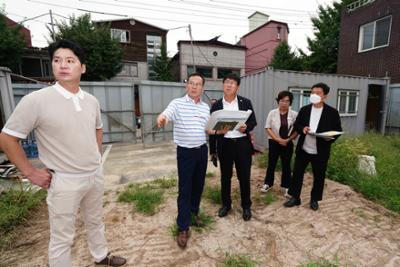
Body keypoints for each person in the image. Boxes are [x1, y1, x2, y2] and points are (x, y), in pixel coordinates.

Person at [0, 39, 126, 267]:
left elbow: (97, 128)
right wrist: (30, 172)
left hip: (93, 175)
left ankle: (101, 256)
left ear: (82, 67)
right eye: (57, 60)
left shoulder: (91, 101)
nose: (63, 65)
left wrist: (96, 156)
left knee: (95, 221)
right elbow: (7, 138)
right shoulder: (36, 100)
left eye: (70, 60)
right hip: (64, 180)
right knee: (62, 237)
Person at [156, 72, 210, 249]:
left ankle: (193, 213)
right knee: (185, 189)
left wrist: (222, 128)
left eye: (198, 84)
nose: (194, 87)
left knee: (199, 185)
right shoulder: (177, 104)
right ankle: (183, 227)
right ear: (187, 86)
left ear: (202, 88)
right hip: (185, 153)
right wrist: (161, 119)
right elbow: (165, 115)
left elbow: (208, 129)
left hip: (202, 151)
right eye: (191, 83)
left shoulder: (205, 107)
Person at [284, 83, 342, 211]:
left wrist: (330, 138)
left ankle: (314, 199)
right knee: (297, 173)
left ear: (324, 96)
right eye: (312, 92)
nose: (314, 95)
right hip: (304, 149)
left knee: (319, 176)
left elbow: (337, 130)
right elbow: (297, 125)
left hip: (321, 150)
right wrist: (302, 128)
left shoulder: (332, 112)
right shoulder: (304, 109)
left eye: (318, 93)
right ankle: (295, 197)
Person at [209, 73, 257, 221]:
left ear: (238, 86)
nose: (229, 85)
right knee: (225, 177)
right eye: (226, 82)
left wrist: (246, 128)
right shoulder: (216, 105)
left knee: (244, 177)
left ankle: (246, 206)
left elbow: (253, 122)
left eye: (232, 83)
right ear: (223, 85)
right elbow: (212, 130)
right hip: (225, 146)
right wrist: (213, 151)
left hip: (242, 145)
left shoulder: (245, 102)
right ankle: (226, 205)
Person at [261, 91, 298, 197]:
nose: (284, 103)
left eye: (287, 101)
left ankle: (286, 186)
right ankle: (268, 183)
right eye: (282, 100)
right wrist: (278, 139)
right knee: (271, 163)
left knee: (286, 165)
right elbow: (267, 127)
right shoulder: (272, 113)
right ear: (278, 101)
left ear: (290, 102)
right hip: (274, 141)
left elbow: (296, 130)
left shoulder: (294, 114)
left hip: (287, 143)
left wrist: (288, 139)